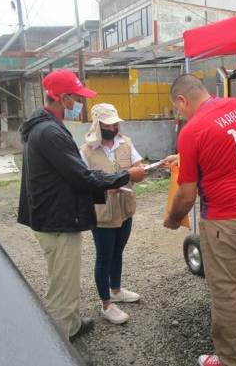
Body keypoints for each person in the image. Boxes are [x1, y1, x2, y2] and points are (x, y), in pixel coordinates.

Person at [17, 69, 145, 342]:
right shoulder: (51, 132)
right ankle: (62, 340)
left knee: (66, 277)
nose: (78, 104)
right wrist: (125, 176)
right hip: (57, 219)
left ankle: (72, 322)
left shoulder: (45, 127)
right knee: (64, 283)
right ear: (62, 98)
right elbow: (82, 176)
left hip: (55, 214)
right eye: (76, 98)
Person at [163, 74, 236, 366]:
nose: (180, 114)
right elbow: (224, 150)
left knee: (225, 293)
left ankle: (230, 360)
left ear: (182, 100)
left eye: (178, 109)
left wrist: (173, 219)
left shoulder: (191, 131)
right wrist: (183, 158)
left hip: (226, 221)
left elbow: (187, 196)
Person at [80, 103, 143, 325]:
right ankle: (106, 304)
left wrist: (134, 173)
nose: (114, 127)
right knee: (104, 256)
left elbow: (139, 167)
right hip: (103, 210)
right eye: (109, 124)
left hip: (126, 206)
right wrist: (107, 186)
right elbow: (83, 182)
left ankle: (116, 290)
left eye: (116, 123)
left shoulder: (125, 143)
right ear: (98, 125)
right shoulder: (87, 151)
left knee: (118, 251)